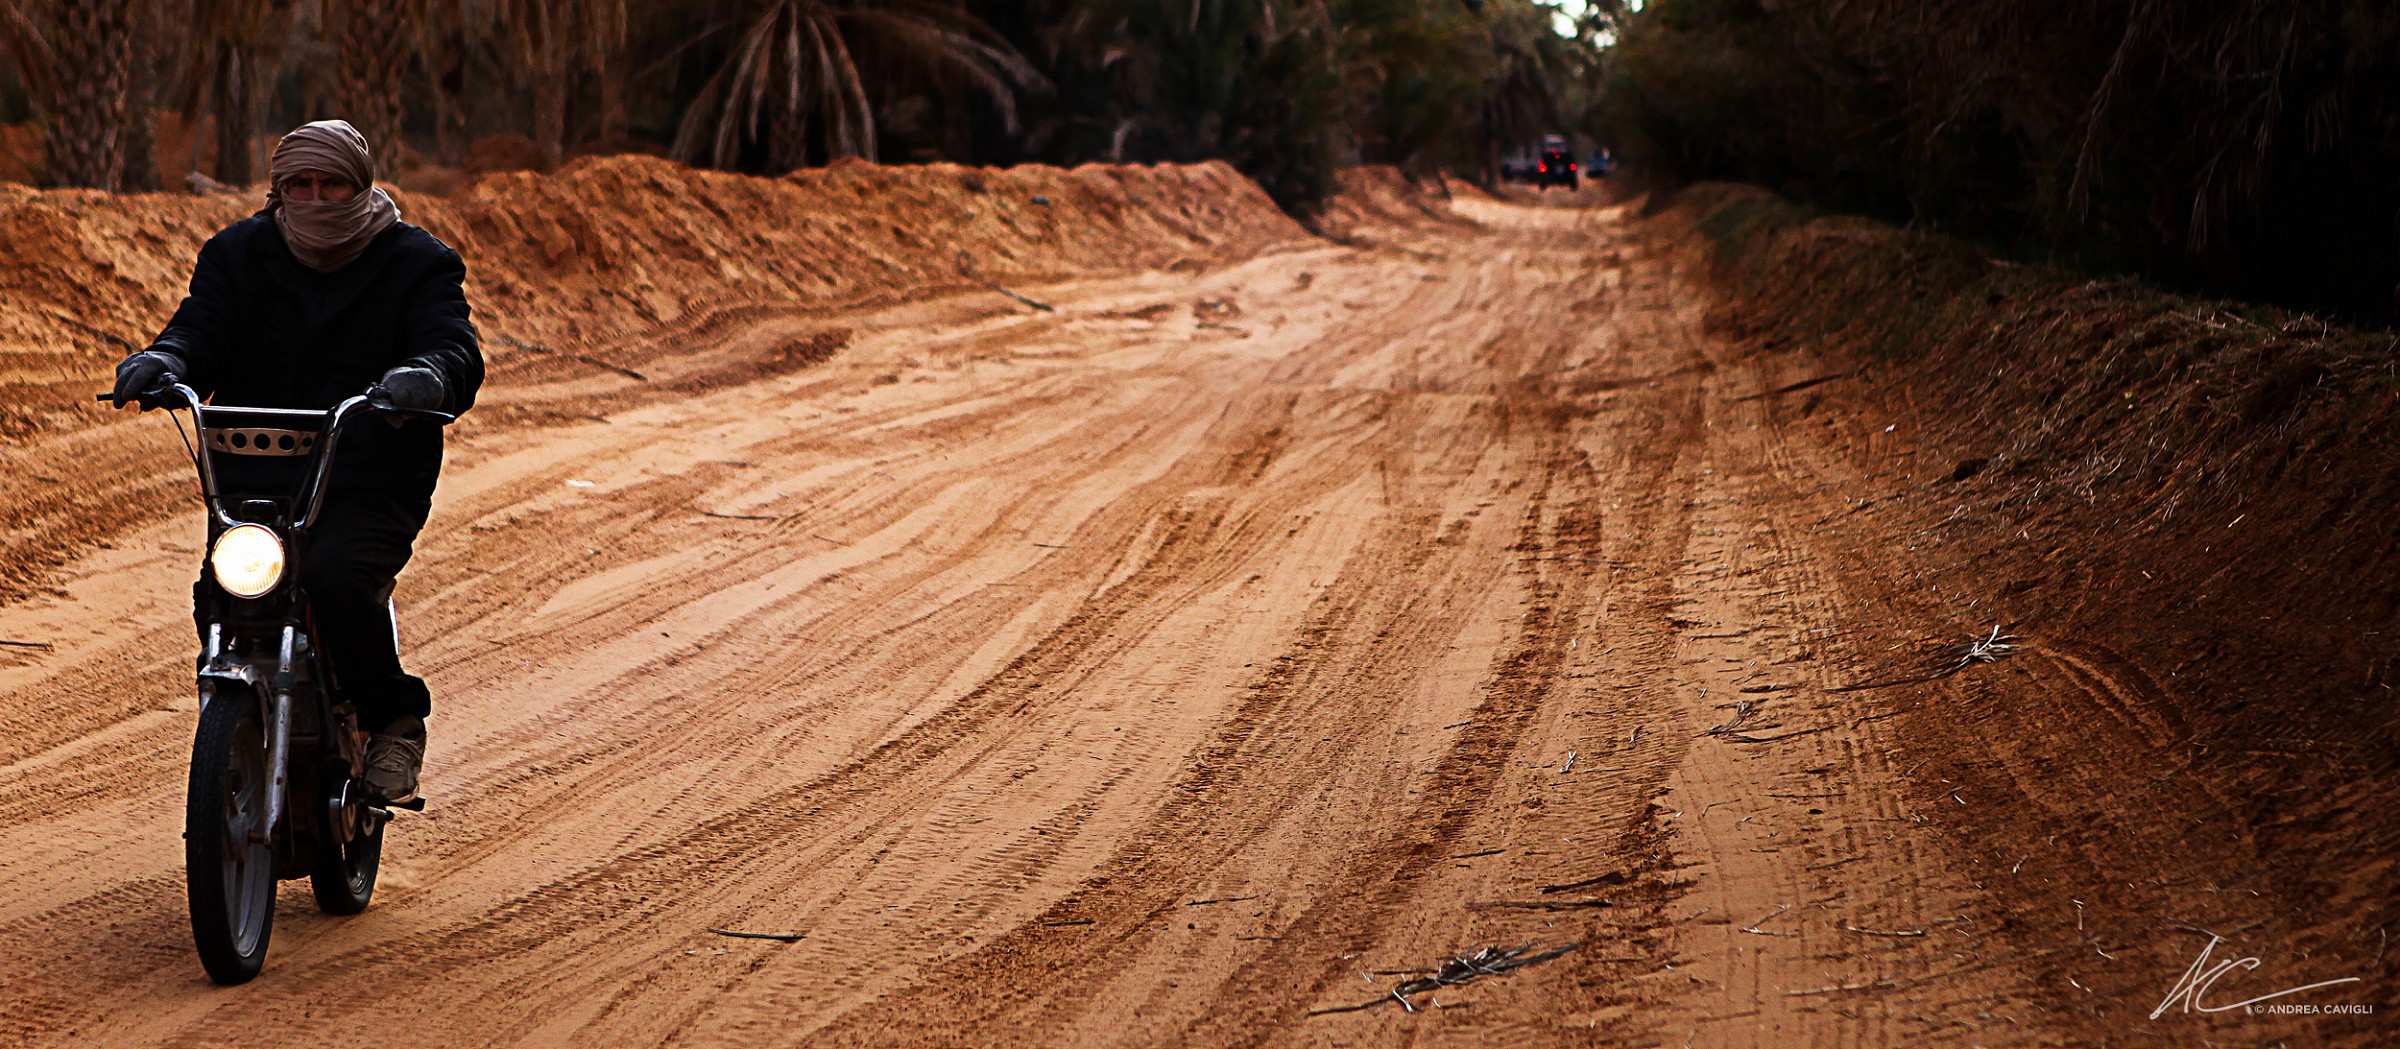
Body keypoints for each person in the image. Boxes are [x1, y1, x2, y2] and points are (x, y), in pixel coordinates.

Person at [109, 119, 481, 803]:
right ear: (277, 190)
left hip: (370, 475)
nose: (315, 199)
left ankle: (393, 720)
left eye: (331, 184)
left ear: (360, 185)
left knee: (336, 579)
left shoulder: (416, 261)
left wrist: (429, 374)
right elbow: (202, 327)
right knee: (226, 588)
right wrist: (166, 359)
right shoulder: (238, 253)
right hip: (255, 477)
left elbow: (452, 343)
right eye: (299, 185)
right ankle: (234, 713)